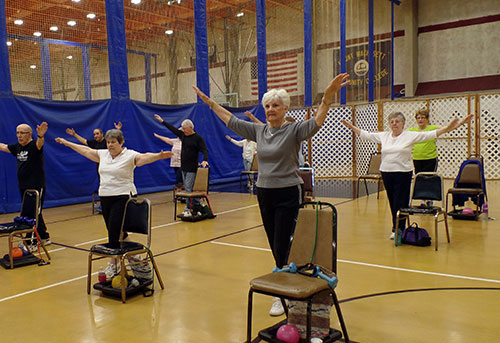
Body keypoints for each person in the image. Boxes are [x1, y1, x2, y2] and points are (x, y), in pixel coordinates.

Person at [194, 73, 350, 316]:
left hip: (289, 191)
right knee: (274, 242)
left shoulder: (294, 130)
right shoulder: (259, 131)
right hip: (265, 192)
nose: (270, 109)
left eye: (275, 105)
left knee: (284, 242)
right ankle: (284, 285)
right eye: (267, 105)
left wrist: (327, 98)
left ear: (285, 108)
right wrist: (211, 104)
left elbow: (318, 121)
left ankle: (285, 291)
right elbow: (230, 121)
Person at [55, 129, 173, 278]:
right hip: (105, 196)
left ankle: (114, 264)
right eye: (108, 142)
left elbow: (144, 157)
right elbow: (85, 150)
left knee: (113, 232)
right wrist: (67, 143)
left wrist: (159, 156)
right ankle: (135, 258)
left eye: (113, 142)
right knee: (119, 232)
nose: (110, 145)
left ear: (121, 142)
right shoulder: (103, 154)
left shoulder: (129, 155)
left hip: (123, 196)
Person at [342, 111, 472, 240]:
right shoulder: (384, 136)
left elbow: (431, 134)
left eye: (397, 121)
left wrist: (450, 127)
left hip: (403, 173)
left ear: (403, 123)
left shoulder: (410, 135)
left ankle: (398, 228)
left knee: (401, 201)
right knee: (393, 201)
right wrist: (352, 127)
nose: (394, 124)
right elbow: (367, 135)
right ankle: (396, 226)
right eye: (392, 122)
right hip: (387, 173)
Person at [0, 122, 51, 249]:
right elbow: (5, 147)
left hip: (36, 185)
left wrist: (41, 136)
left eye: (22, 133)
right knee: (33, 213)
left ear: (29, 134)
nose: (19, 135)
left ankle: (32, 242)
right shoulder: (17, 147)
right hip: (23, 186)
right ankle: (44, 236)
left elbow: (40, 144)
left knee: (33, 214)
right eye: (17, 132)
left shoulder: (34, 145)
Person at [154, 115, 208, 217]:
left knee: (188, 188)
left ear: (191, 128)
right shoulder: (183, 136)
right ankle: (198, 205)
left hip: (192, 168)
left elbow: (204, 150)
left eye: (184, 128)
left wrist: (205, 160)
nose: (183, 130)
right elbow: (172, 129)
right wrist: (162, 121)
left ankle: (188, 208)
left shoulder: (198, 138)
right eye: (182, 128)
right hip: (183, 167)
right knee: (189, 189)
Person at [66, 122, 122, 213]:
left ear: (102, 134)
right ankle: (104, 205)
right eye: (94, 134)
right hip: (100, 168)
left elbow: (116, 139)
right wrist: (74, 134)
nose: (95, 135)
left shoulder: (107, 141)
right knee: (103, 185)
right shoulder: (94, 143)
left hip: (111, 167)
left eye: (97, 134)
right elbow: (84, 141)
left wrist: (118, 129)